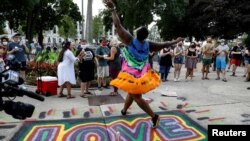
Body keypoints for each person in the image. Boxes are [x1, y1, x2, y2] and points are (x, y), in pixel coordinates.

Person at [103, 0, 184, 128]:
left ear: (137, 33)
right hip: (142, 73)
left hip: (133, 74)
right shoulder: (149, 44)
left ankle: (154, 116)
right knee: (131, 92)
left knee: (136, 95)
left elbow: (117, 25)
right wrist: (176, 40)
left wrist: (113, 9)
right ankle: (124, 111)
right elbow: (165, 44)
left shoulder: (129, 39)